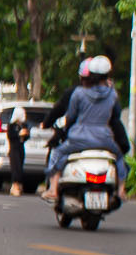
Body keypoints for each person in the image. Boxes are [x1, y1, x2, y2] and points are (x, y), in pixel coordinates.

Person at [42, 55, 127, 199]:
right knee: (119, 157)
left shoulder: (79, 93)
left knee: (57, 153)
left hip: (79, 138)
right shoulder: (112, 95)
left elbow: (70, 116)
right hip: (104, 139)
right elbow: (116, 116)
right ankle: (121, 190)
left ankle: (53, 189)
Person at [4, 105, 30, 196]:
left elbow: (26, 137)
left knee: (20, 167)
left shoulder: (24, 125)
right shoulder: (12, 125)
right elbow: (10, 136)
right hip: (13, 148)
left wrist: (26, 135)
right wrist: (19, 134)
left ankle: (19, 185)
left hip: (21, 148)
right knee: (16, 167)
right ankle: (15, 186)